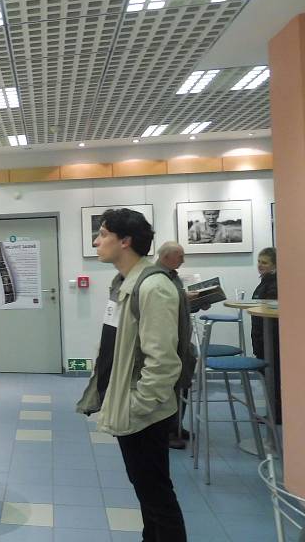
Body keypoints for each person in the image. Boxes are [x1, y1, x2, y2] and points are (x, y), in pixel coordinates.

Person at [78, 209, 186, 542]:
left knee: (156, 494)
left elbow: (163, 362)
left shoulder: (153, 288)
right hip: (128, 403)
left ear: (125, 241)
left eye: (103, 234)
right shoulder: (125, 282)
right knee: (146, 490)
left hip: (143, 412)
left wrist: (139, 405)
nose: (96, 241)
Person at [156, 241, 196, 450]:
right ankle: (168, 431)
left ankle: (177, 425)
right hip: (170, 344)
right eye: (179, 256)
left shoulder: (173, 277)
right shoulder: (158, 279)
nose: (183, 260)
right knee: (170, 388)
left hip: (182, 342)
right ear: (166, 257)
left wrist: (189, 301)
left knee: (183, 384)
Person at [251, 247, 280, 424]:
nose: (260, 265)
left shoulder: (275, 284)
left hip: (270, 339)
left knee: (274, 376)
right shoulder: (266, 281)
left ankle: (276, 414)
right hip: (261, 336)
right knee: (269, 374)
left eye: (265, 262)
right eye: (259, 262)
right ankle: (274, 412)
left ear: (275, 265)